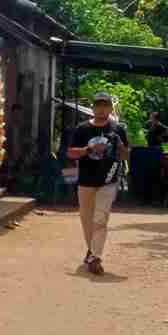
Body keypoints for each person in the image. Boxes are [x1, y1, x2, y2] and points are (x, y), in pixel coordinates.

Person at [67, 92, 129, 275]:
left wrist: (120, 147)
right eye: (98, 105)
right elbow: (70, 153)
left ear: (110, 108)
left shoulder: (118, 129)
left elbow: (126, 155)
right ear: (92, 108)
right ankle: (92, 250)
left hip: (108, 180)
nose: (101, 109)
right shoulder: (82, 129)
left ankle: (96, 257)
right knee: (87, 220)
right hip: (86, 181)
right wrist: (88, 149)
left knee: (100, 219)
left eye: (105, 105)